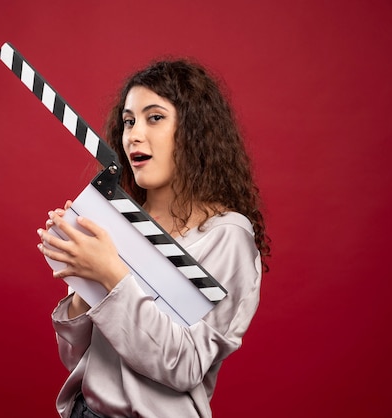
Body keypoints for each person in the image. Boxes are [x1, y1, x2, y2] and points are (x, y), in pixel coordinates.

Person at [36, 58, 270, 418]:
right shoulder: (115, 222)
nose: (134, 134)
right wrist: (82, 281)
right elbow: (75, 358)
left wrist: (111, 276)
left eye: (154, 117)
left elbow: (185, 366)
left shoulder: (228, 237)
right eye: (128, 121)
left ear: (195, 130)